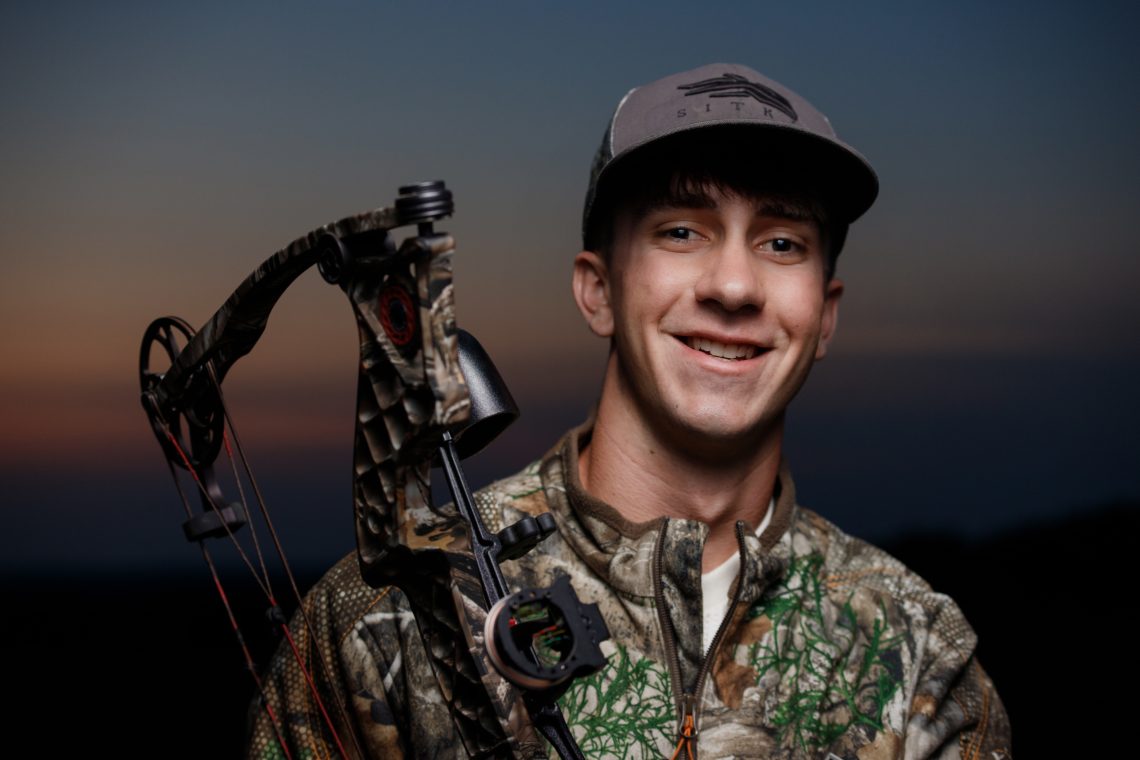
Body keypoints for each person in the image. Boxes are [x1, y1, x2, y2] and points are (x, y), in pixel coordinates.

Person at [248, 63, 1010, 759]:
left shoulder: (918, 656)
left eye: (782, 243)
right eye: (681, 231)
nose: (736, 287)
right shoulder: (378, 615)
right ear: (598, 290)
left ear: (826, 316)